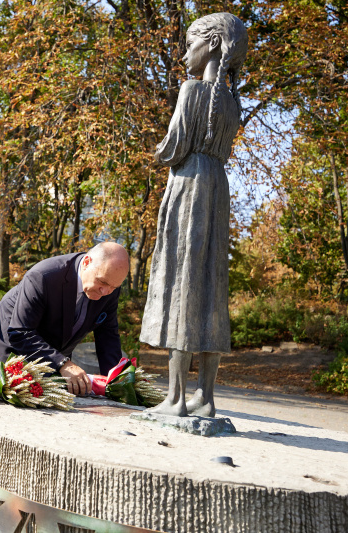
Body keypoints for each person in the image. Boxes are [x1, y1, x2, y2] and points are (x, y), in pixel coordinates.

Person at [139, 13, 248, 418]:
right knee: (210, 286)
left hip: (189, 186)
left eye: (191, 43)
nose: (185, 54)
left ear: (214, 45)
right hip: (217, 186)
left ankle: (175, 398)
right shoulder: (233, 101)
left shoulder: (192, 91)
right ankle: (207, 398)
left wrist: (157, 153)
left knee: (182, 279)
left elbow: (172, 148)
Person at [0, 242, 129, 396]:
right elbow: (20, 331)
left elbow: (108, 336)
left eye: (114, 287)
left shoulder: (110, 288)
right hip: (7, 348)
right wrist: (62, 363)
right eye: (102, 282)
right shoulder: (44, 276)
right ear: (86, 263)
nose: (106, 291)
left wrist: (115, 383)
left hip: (51, 357)